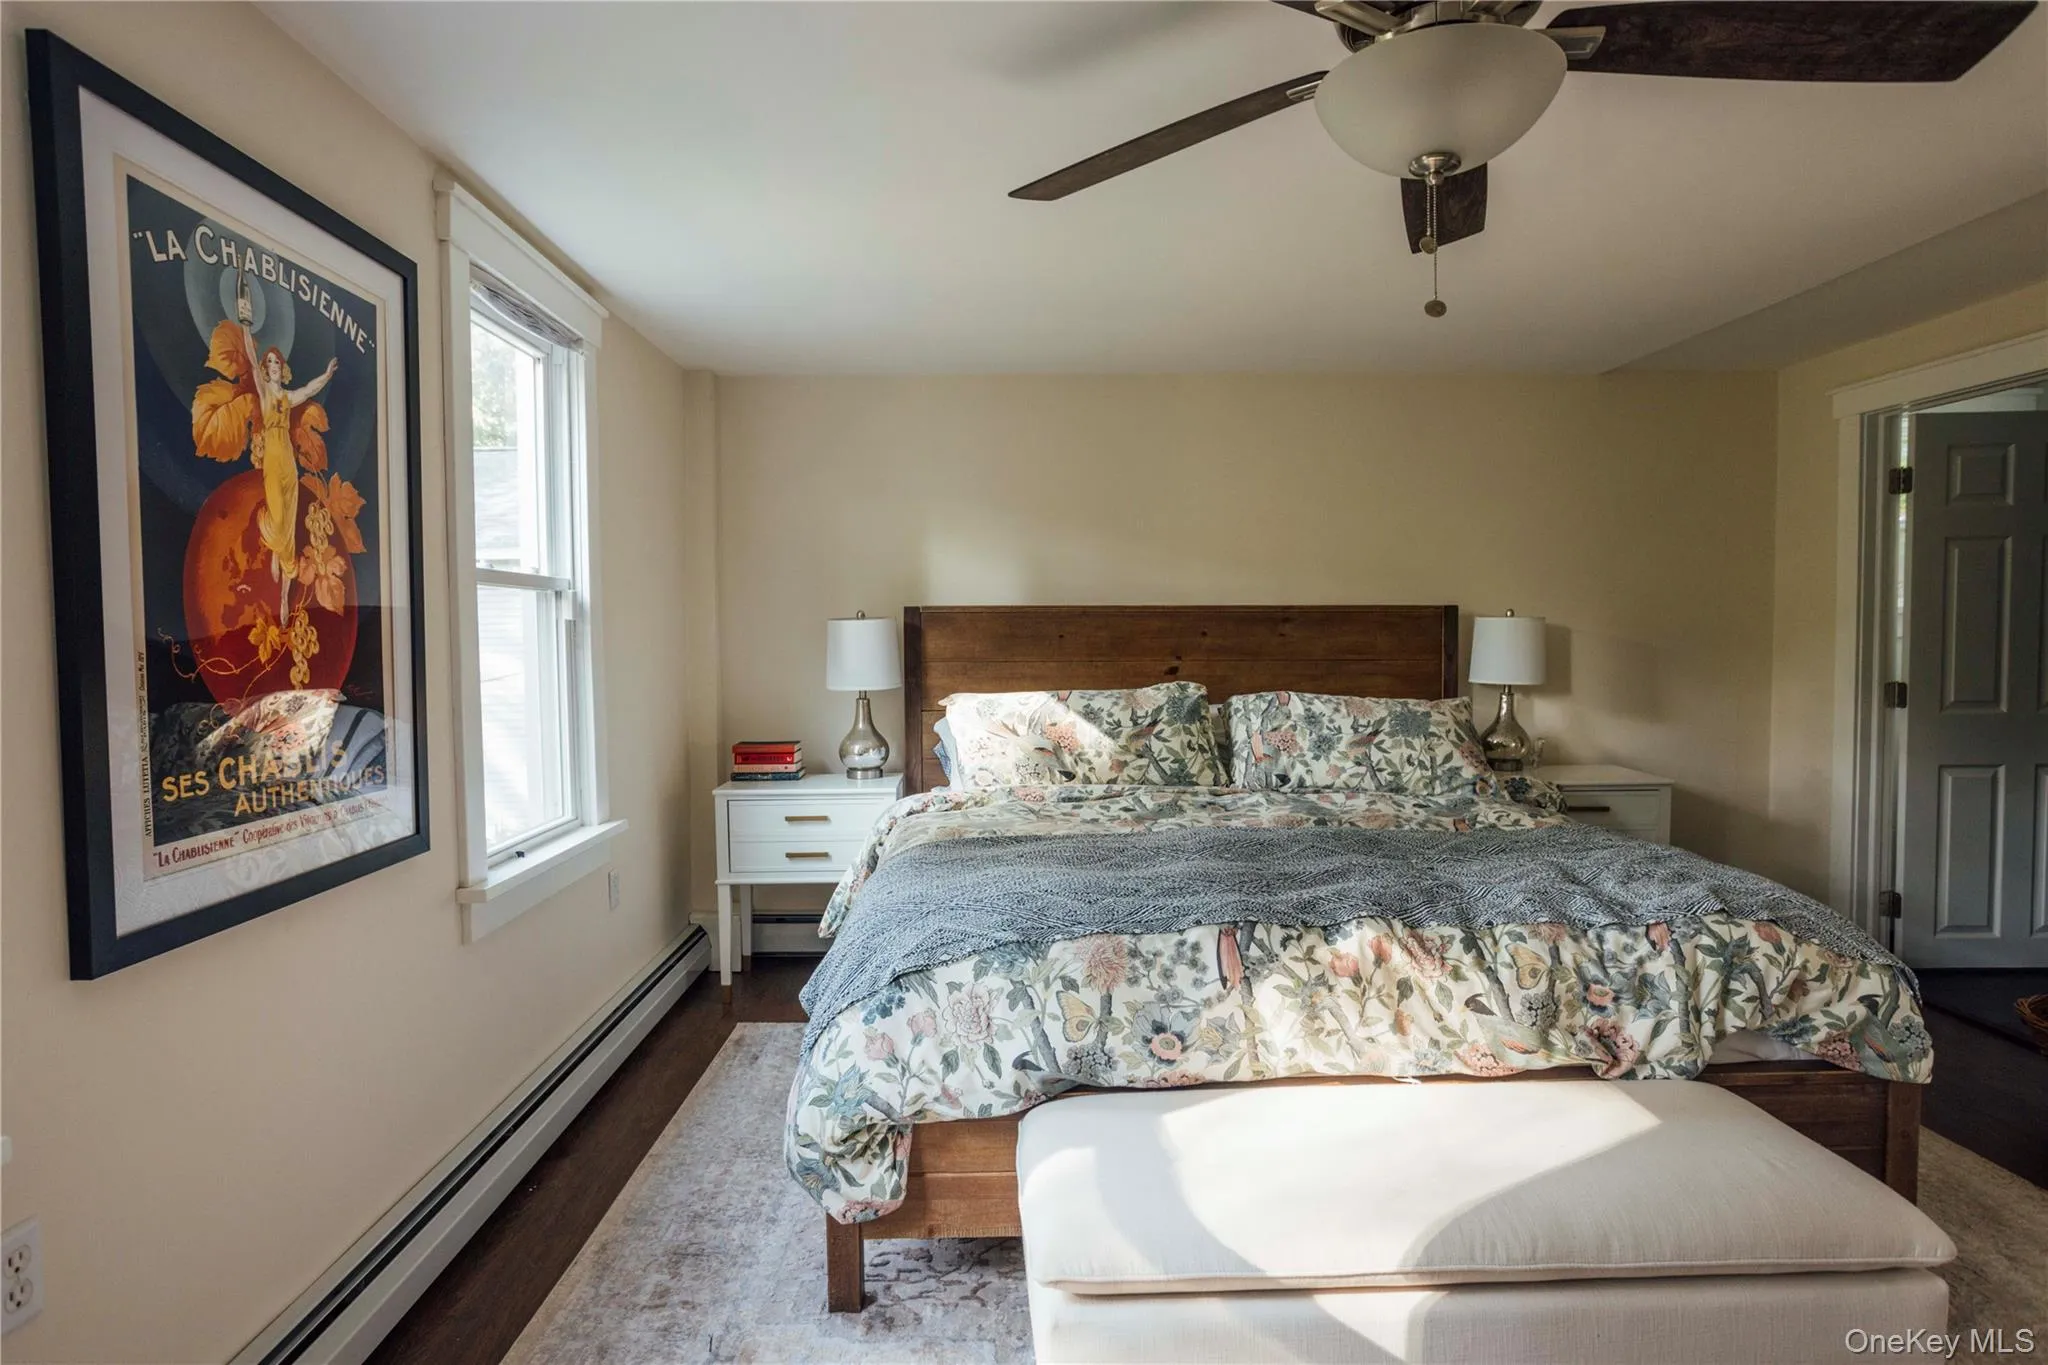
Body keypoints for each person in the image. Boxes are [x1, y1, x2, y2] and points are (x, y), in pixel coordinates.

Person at [234, 269, 336, 618]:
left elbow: (309, 390)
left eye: (278, 362)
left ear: (283, 368)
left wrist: (326, 374)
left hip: (288, 465)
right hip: (272, 463)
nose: (274, 366)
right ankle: (279, 557)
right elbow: (249, 354)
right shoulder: (265, 395)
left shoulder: (288, 397)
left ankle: (284, 594)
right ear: (266, 370)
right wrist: (246, 325)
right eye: (270, 363)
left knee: (289, 523)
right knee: (277, 516)